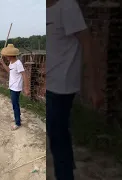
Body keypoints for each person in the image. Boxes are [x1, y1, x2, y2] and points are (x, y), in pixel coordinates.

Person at [46, 0, 103, 179]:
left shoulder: (67, 6)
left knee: (57, 136)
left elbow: (87, 42)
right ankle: (67, 168)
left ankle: (65, 173)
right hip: (48, 83)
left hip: (62, 86)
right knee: (58, 134)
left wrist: (93, 86)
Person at [0, 44, 29, 131]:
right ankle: (18, 117)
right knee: (14, 103)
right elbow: (9, 71)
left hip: (16, 88)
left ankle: (18, 123)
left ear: (11, 55)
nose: (6, 57)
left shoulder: (18, 63)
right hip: (12, 86)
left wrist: (26, 88)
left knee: (15, 105)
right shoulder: (11, 63)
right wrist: (2, 63)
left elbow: (24, 75)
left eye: (7, 55)